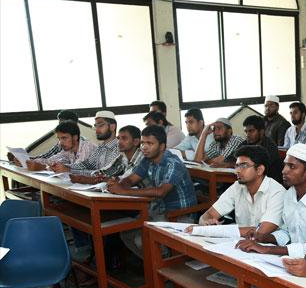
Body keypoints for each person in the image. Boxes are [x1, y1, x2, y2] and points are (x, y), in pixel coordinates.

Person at [108, 125, 197, 258]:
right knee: (126, 233)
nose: (144, 147)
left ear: (162, 146)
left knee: (141, 241)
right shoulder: (147, 160)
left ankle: (165, 263)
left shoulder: (172, 163)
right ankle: (154, 265)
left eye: (150, 143)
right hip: (159, 210)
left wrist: (123, 191)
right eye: (143, 143)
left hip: (179, 215)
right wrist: (120, 184)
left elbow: (161, 192)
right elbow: (131, 179)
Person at [236, 144, 306, 257]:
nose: (284, 171)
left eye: (292, 167)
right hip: (292, 258)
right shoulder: (289, 195)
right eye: (285, 165)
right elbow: (287, 232)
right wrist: (263, 237)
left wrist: (266, 249)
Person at [192, 145, 285, 239]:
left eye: (244, 166)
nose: (237, 171)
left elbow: (261, 231)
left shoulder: (277, 192)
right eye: (237, 166)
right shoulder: (237, 187)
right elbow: (207, 215)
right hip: (239, 242)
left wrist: (218, 230)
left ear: (259, 170)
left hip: (267, 247)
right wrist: (207, 223)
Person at [52, 110, 119, 175]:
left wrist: (70, 170)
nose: (97, 130)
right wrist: (63, 167)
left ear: (112, 127)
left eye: (101, 126)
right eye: (96, 126)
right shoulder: (101, 148)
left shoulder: (119, 148)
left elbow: (103, 174)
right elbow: (86, 164)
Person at [70, 125, 145, 183]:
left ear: (136, 142)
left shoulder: (142, 158)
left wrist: (87, 180)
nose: (119, 142)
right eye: (118, 138)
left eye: (124, 138)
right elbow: (104, 172)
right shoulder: (121, 158)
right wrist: (84, 178)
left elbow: (123, 180)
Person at [230, 115, 283, 183]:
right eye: (246, 131)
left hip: (268, 183)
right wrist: (226, 163)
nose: (247, 135)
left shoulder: (270, 146)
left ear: (261, 132)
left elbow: (258, 167)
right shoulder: (245, 143)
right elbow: (232, 157)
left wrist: (236, 164)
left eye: (251, 131)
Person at [24, 121, 96, 171]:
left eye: (64, 138)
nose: (60, 142)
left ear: (75, 137)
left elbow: (77, 169)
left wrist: (44, 167)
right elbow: (49, 160)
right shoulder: (68, 150)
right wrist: (27, 162)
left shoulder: (86, 146)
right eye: (59, 138)